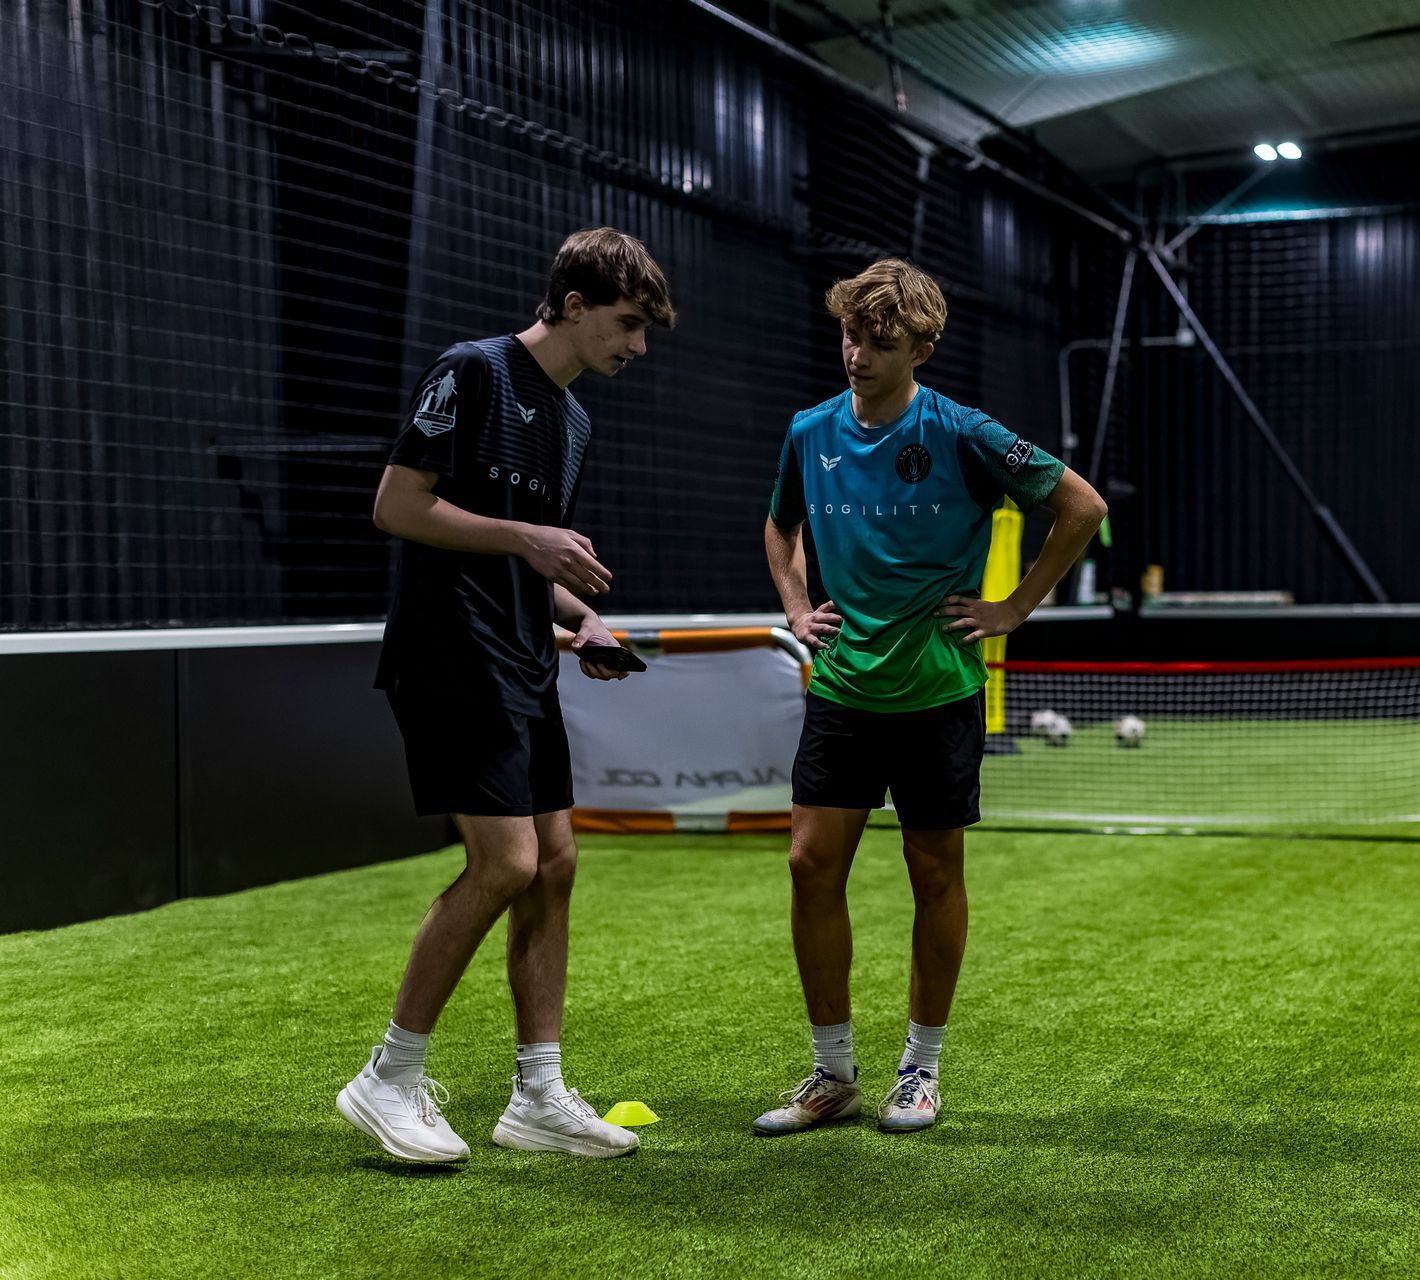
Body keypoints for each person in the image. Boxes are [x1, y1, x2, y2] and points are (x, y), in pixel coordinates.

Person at [334, 228, 674, 1163]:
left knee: (556, 863)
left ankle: (538, 1094)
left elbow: (531, 559)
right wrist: (532, 542)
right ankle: (389, 1076)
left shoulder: (573, 422)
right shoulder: (472, 372)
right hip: (449, 657)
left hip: (524, 659)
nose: (638, 346)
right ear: (571, 305)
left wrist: (583, 621)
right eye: (628, 323)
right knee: (507, 863)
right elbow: (399, 507)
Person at [756, 258, 1107, 1135]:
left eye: (880, 340)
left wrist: (1014, 608)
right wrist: (797, 607)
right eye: (849, 334)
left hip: (938, 690)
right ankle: (830, 1073)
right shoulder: (809, 430)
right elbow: (778, 523)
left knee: (933, 872)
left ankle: (920, 1068)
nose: (857, 353)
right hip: (842, 686)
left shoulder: (967, 433)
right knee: (808, 866)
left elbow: (1082, 506)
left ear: (923, 345)